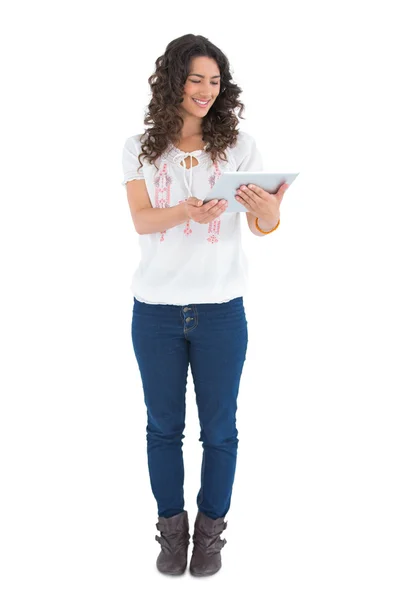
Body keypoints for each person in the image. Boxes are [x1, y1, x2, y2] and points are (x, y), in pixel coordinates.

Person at [121, 34, 287, 577]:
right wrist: (184, 214)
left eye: (214, 81)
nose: (206, 91)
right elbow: (142, 219)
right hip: (157, 311)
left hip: (220, 310)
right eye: (195, 79)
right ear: (173, 80)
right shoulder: (140, 146)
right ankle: (173, 533)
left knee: (220, 429)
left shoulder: (239, 146)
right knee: (162, 427)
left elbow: (264, 227)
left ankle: (210, 537)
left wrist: (268, 210)